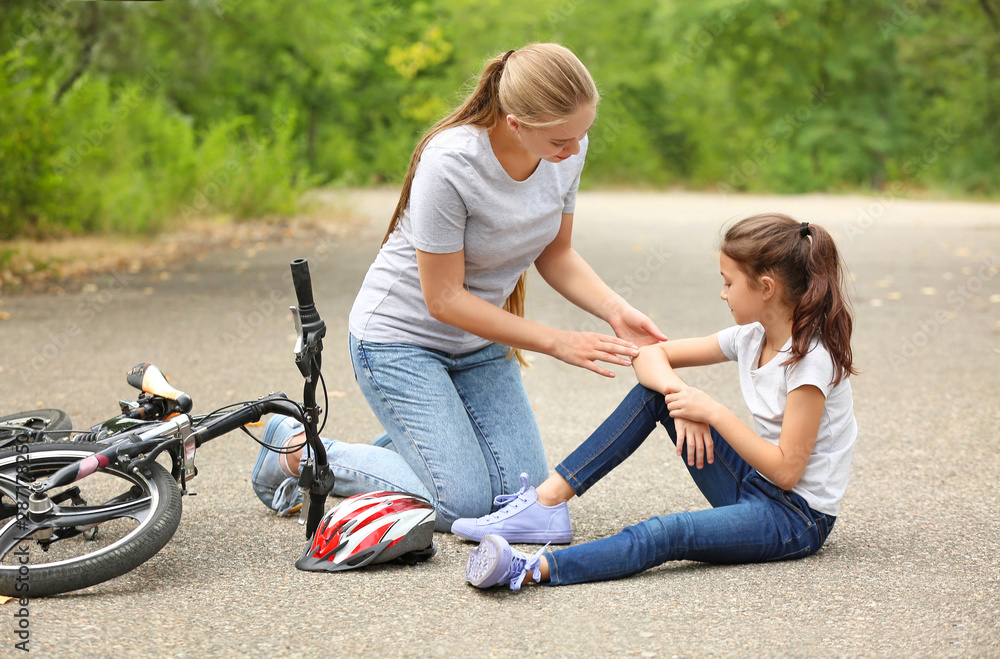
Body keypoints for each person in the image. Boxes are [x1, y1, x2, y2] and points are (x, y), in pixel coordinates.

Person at [251, 43, 665, 530]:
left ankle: (433, 447)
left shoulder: (565, 149)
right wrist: (557, 341)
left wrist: (614, 309)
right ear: (515, 123)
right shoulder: (451, 162)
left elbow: (555, 252)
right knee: (461, 503)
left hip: (481, 344)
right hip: (399, 343)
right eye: (560, 140)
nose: (573, 150)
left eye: (583, 133)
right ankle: (296, 451)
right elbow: (442, 299)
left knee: (518, 496)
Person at [455, 213, 858, 589]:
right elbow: (649, 355)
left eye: (729, 282)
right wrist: (681, 400)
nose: (722, 294)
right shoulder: (750, 337)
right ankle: (546, 502)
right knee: (656, 394)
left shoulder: (809, 362)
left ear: (766, 288)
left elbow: (787, 471)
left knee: (667, 533)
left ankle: (531, 569)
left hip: (794, 517)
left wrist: (712, 413)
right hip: (754, 483)